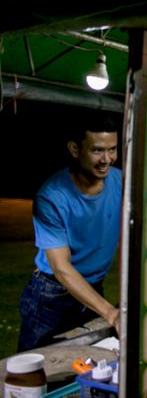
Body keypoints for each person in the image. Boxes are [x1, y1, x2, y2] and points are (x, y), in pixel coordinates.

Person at [17, 112, 122, 352]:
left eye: (112, 149)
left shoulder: (122, 182)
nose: (107, 159)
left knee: (87, 367)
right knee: (35, 373)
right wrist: (110, 313)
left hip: (94, 288)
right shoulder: (51, 196)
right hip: (51, 295)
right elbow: (61, 269)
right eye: (97, 150)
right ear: (75, 149)